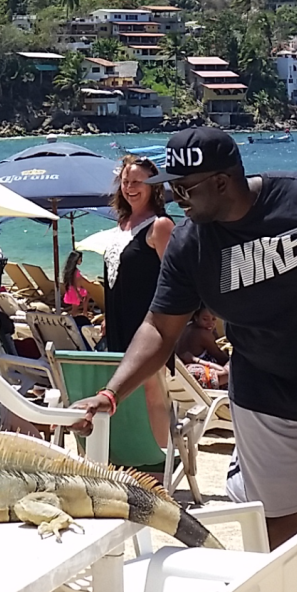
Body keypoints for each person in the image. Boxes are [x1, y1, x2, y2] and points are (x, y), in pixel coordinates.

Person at [75, 128, 297, 550]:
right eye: (171, 187)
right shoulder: (189, 245)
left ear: (222, 182)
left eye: (185, 188)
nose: (176, 198)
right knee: (275, 521)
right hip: (262, 398)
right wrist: (111, 393)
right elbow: (159, 327)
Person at [103, 154, 175, 443]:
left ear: (153, 186)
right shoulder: (122, 224)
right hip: (118, 320)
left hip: (148, 323)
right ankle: (133, 453)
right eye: (125, 181)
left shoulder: (160, 225)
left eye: (137, 182)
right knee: (123, 391)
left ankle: (161, 460)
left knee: (151, 390)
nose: (130, 187)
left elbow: (174, 280)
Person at [177, 304, 229, 388]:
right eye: (205, 319)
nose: (210, 323)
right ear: (196, 318)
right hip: (203, 377)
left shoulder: (186, 328)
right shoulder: (202, 334)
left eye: (214, 319)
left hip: (186, 374)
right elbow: (222, 358)